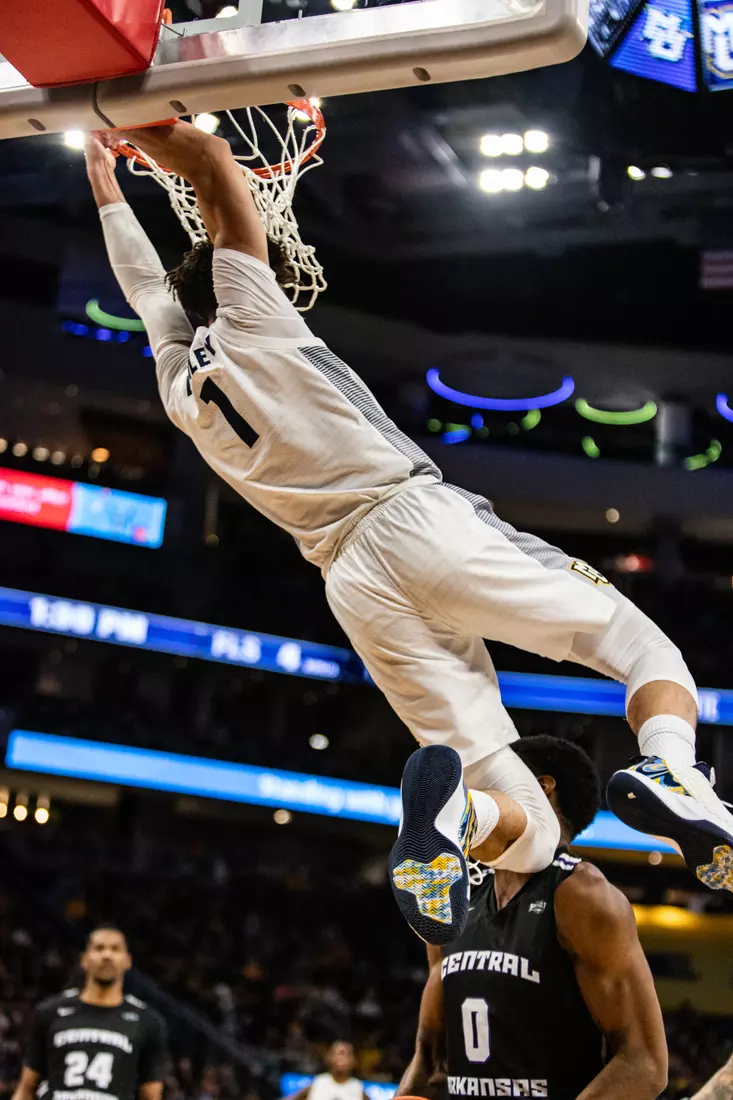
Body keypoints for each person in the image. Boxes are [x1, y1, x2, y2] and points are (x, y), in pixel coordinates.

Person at [83, 121, 732, 943]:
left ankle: (455, 818)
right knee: (645, 653)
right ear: (249, 280)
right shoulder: (256, 317)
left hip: (350, 582)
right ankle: (675, 769)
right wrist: (130, 122)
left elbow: (146, 289)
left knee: (528, 837)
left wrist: (108, 184)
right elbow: (214, 169)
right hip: (411, 520)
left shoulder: (180, 385)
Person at [397, 736, 668, 1100]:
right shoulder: (451, 896)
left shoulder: (581, 895)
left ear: (540, 789)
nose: (475, 794)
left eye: (491, 782)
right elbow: (428, 1060)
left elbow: (645, 1065)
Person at [12, 926, 167, 1100]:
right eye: (99, 948)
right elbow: (26, 1088)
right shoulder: (50, 1012)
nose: (106, 955)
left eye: (115, 949)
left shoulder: (147, 1021)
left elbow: (151, 1096)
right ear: (84, 960)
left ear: (127, 961)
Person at [286, 1041, 367, 1100]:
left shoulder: (357, 1088)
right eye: (336, 1053)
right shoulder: (318, 1082)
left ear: (354, 1061)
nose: (341, 1057)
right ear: (329, 1058)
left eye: (345, 1054)